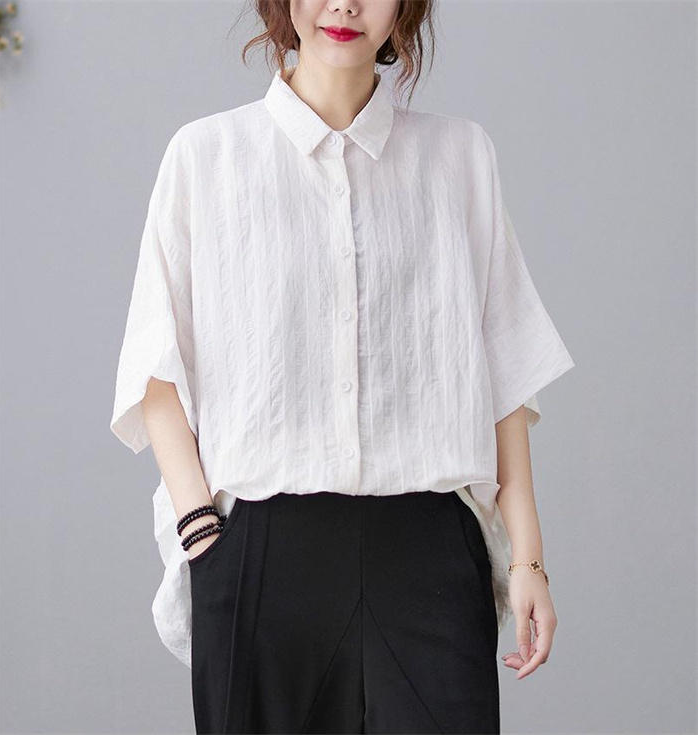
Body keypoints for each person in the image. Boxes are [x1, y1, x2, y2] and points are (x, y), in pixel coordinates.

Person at [110, 0, 575, 732]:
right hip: (263, 553)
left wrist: (529, 560)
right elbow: (157, 368)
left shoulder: (459, 158)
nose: (346, 5)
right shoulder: (207, 157)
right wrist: (202, 534)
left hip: (427, 551)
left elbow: (504, 371)